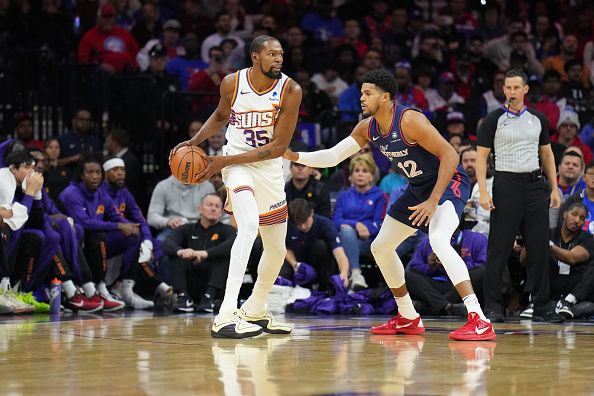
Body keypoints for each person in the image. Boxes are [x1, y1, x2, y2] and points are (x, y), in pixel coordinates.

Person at [285, 68, 495, 341]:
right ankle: (408, 316)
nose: (361, 98)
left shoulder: (410, 120)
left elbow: (450, 156)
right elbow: (332, 157)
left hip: (448, 184)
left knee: (439, 241)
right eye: (361, 92)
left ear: (386, 97)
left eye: (368, 93)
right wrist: (293, 153)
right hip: (419, 187)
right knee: (380, 247)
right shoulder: (366, 128)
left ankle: (478, 318)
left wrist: (433, 202)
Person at [170, 35, 302, 338]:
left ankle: (255, 309)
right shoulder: (232, 82)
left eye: (281, 54)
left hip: (268, 168)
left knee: (277, 249)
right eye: (272, 54)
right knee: (248, 226)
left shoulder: (291, 90)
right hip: (237, 166)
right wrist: (193, 144)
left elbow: (277, 148)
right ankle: (226, 314)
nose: (278, 59)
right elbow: (220, 116)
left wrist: (218, 162)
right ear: (255, 57)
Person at [476, 69, 563, 323]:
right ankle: (493, 306)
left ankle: (542, 305)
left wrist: (555, 188)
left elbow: (547, 155)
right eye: (508, 88)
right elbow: (481, 157)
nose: (512, 92)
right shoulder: (493, 119)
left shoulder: (538, 119)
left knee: (539, 247)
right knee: (498, 249)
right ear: (503, 90)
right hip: (506, 183)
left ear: (525, 90)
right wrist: (483, 190)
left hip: (535, 184)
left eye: (516, 88)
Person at [163, 194, 236, 313]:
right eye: (209, 205)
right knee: (178, 254)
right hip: (192, 280)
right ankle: (183, 297)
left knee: (225, 256)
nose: (213, 208)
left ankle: (209, 298)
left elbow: (232, 245)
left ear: (221, 213)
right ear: (200, 209)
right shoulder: (187, 229)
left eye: (217, 206)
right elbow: (167, 243)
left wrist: (205, 254)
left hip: (216, 283)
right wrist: (182, 251)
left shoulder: (228, 230)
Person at [405, 228, 487, 317]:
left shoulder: (477, 239)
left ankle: (435, 306)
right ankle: (446, 306)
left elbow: (483, 264)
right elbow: (414, 267)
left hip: (460, 286)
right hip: (435, 286)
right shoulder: (427, 241)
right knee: (407, 275)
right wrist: (430, 267)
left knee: (481, 272)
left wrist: (453, 265)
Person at [282, 198, 349, 291]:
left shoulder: (325, 224)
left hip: (319, 264)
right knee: (282, 273)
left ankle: (326, 287)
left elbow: (340, 254)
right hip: (298, 266)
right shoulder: (286, 226)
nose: (303, 227)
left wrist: (344, 274)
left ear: (312, 213)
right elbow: (285, 248)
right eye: (299, 224)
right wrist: (295, 264)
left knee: (320, 246)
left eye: (305, 222)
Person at [545, 202, 594, 319]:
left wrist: (549, 245)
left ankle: (567, 303)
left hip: (576, 298)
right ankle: (536, 302)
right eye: (574, 214)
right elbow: (523, 260)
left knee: (589, 307)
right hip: (551, 292)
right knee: (537, 257)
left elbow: (571, 258)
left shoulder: (587, 239)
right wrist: (532, 241)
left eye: (582, 218)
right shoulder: (548, 233)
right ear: (565, 214)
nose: (577, 220)